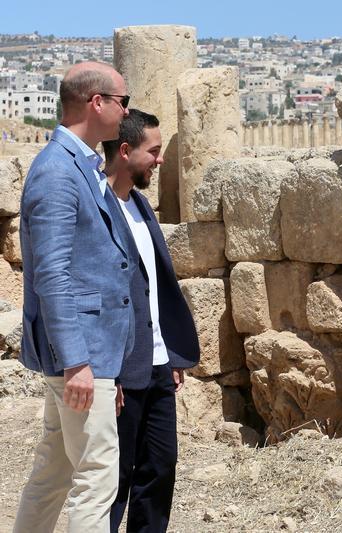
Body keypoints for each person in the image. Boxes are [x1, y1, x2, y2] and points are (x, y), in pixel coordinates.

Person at [15, 61, 134, 532]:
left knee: (55, 470)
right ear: (96, 102)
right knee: (97, 478)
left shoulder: (76, 163)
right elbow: (52, 274)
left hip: (88, 351)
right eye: (122, 100)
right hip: (79, 353)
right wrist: (79, 362)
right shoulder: (58, 173)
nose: (127, 111)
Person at [102, 109, 200, 533]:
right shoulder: (99, 209)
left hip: (158, 364)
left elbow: (154, 286)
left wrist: (171, 352)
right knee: (115, 478)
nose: (160, 161)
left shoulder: (140, 205)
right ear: (125, 151)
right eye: (154, 152)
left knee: (160, 469)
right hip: (123, 369)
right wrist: (109, 370)